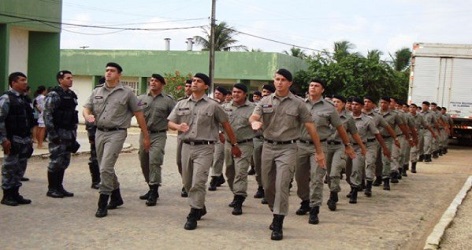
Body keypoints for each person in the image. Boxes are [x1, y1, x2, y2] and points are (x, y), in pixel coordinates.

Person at [249, 69, 325, 241]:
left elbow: (311, 128)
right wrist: (254, 122)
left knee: (282, 184)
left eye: (283, 80)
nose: (279, 82)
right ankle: (274, 209)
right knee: (267, 186)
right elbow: (254, 116)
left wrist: (319, 152)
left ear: (289, 83)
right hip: (268, 146)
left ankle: (278, 222)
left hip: (289, 148)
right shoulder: (265, 101)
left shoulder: (299, 104)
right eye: (277, 79)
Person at [168, 73, 241, 230]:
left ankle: (193, 213)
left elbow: (226, 124)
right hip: (186, 146)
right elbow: (170, 122)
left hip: (205, 147)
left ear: (206, 86)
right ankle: (200, 206)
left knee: (198, 181)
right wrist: (178, 127)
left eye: (198, 81)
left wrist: (234, 143)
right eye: (193, 81)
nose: (194, 83)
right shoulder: (181, 104)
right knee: (187, 183)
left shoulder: (213, 105)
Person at [83, 62, 150, 218]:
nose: (108, 73)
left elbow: (139, 114)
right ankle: (116, 195)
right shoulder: (97, 91)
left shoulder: (128, 93)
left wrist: (146, 135)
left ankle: (102, 202)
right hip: (99, 131)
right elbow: (86, 107)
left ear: (119, 74)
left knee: (105, 167)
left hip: (117, 133)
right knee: (104, 166)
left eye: (112, 71)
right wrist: (87, 116)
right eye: (106, 70)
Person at [294, 81, 354, 216]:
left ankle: (315, 208)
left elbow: (340, 127)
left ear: (322, 90)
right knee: (300, 177)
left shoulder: (329, 108)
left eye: (316, 86)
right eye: (311, 85)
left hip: (320, 147)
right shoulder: (300, 104)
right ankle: (305, 201)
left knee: (317, 177)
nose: (313, 88)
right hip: (301, 145)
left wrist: (347, 145)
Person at [137, 74, 175, 206]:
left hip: (159, 134)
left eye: (156, 81)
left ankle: (154, 190)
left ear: (162, 84)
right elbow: (134, 112)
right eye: (151, 80)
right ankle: (150, 186)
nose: (153, 83)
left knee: (155, 161)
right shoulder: (141, 98)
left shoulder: (168, 100)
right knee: (144, 162)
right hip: (144, 133)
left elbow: (175, 116)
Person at [43, 71, 80, 199]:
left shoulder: (71, 95)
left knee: (64, 160)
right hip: (58, 132)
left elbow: (73, 116)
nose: (71, 80)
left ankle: (59, 187)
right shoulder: (53, 95)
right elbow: (47, 115)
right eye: (68, 78)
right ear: (60, 80)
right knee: (55, 161)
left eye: (71, 78)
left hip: (68, 133)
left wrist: (74, 135)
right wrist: (52, 134)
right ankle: (52, 188)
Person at [0, 72, 34, 206]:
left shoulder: (25, 99)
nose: (25, 83)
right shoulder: (6, 98)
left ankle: (15, 193)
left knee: (20, 167)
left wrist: (30, 137)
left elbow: (30, 119)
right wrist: (3, 139)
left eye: (25, 80)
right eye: (22, 80)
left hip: (24, 138)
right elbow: (1, 120)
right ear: (13, 83)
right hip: (12, 138)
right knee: (9, 167)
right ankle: (7, 195)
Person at [223, 83, 255, 215]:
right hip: (228, 144)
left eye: (239, 92)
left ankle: (239, 198)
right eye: (234, 92)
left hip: (244, 144)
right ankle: (235, 192)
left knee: (241, 172)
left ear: (245, 94)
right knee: (230, 172)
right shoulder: (225, 107)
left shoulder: (253, 108)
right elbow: (219, 122)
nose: (236, 94)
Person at [252, 84, 275, 204]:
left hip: (270, 140)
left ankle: (268, 190)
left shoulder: (276, 105)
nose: (264, 94)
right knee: (258, 165)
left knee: (270, 169)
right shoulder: (257, 106)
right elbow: (252, 118)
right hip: (257, 138)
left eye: (267, 92)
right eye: (263, 92)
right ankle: (260, 186)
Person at [208, 86, 229, 191]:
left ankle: (214, 178)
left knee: (218, 157)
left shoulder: (227, 107)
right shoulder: (210, 105)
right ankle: (219, 176)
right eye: (215, 93)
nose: (216, 95)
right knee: (210, 158)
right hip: (210, 135)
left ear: (225, 96)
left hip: (222, 135)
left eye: (219, 94)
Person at [85, 77, 105, 190]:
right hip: (95, 129)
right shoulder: (95, 95)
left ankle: (103, 179)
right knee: (95, 156)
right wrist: (91, 134)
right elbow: (88, 113)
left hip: (104, 130)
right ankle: (96, 180)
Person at [176, 79, 192, 197]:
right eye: (186, 86)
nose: (187, 88)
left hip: (198, 139)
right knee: (180, 162)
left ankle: (189, 185)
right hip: (182, 137)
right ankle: (186, 182)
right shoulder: (180, 102)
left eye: (189, 86)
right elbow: (172, 119)